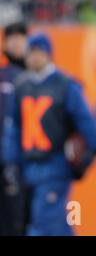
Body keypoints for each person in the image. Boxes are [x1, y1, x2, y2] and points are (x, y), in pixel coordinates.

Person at [1, 33, 96, 235]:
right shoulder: (22, 85)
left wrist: (87, 156)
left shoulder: (65, 85)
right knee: (52, 225)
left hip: (54, 164)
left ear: (48, 54)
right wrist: (10, 162)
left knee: (43, 225)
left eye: (39, 52)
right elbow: (14, 128)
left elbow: (87, 124)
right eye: (31, 53)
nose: (34, 57)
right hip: (28, 167)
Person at [0, 21, 28, 235]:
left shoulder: (37, 77)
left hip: (31, 160)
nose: (17, 43)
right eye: (13, 38)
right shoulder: (3, 75)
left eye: (21, 37)